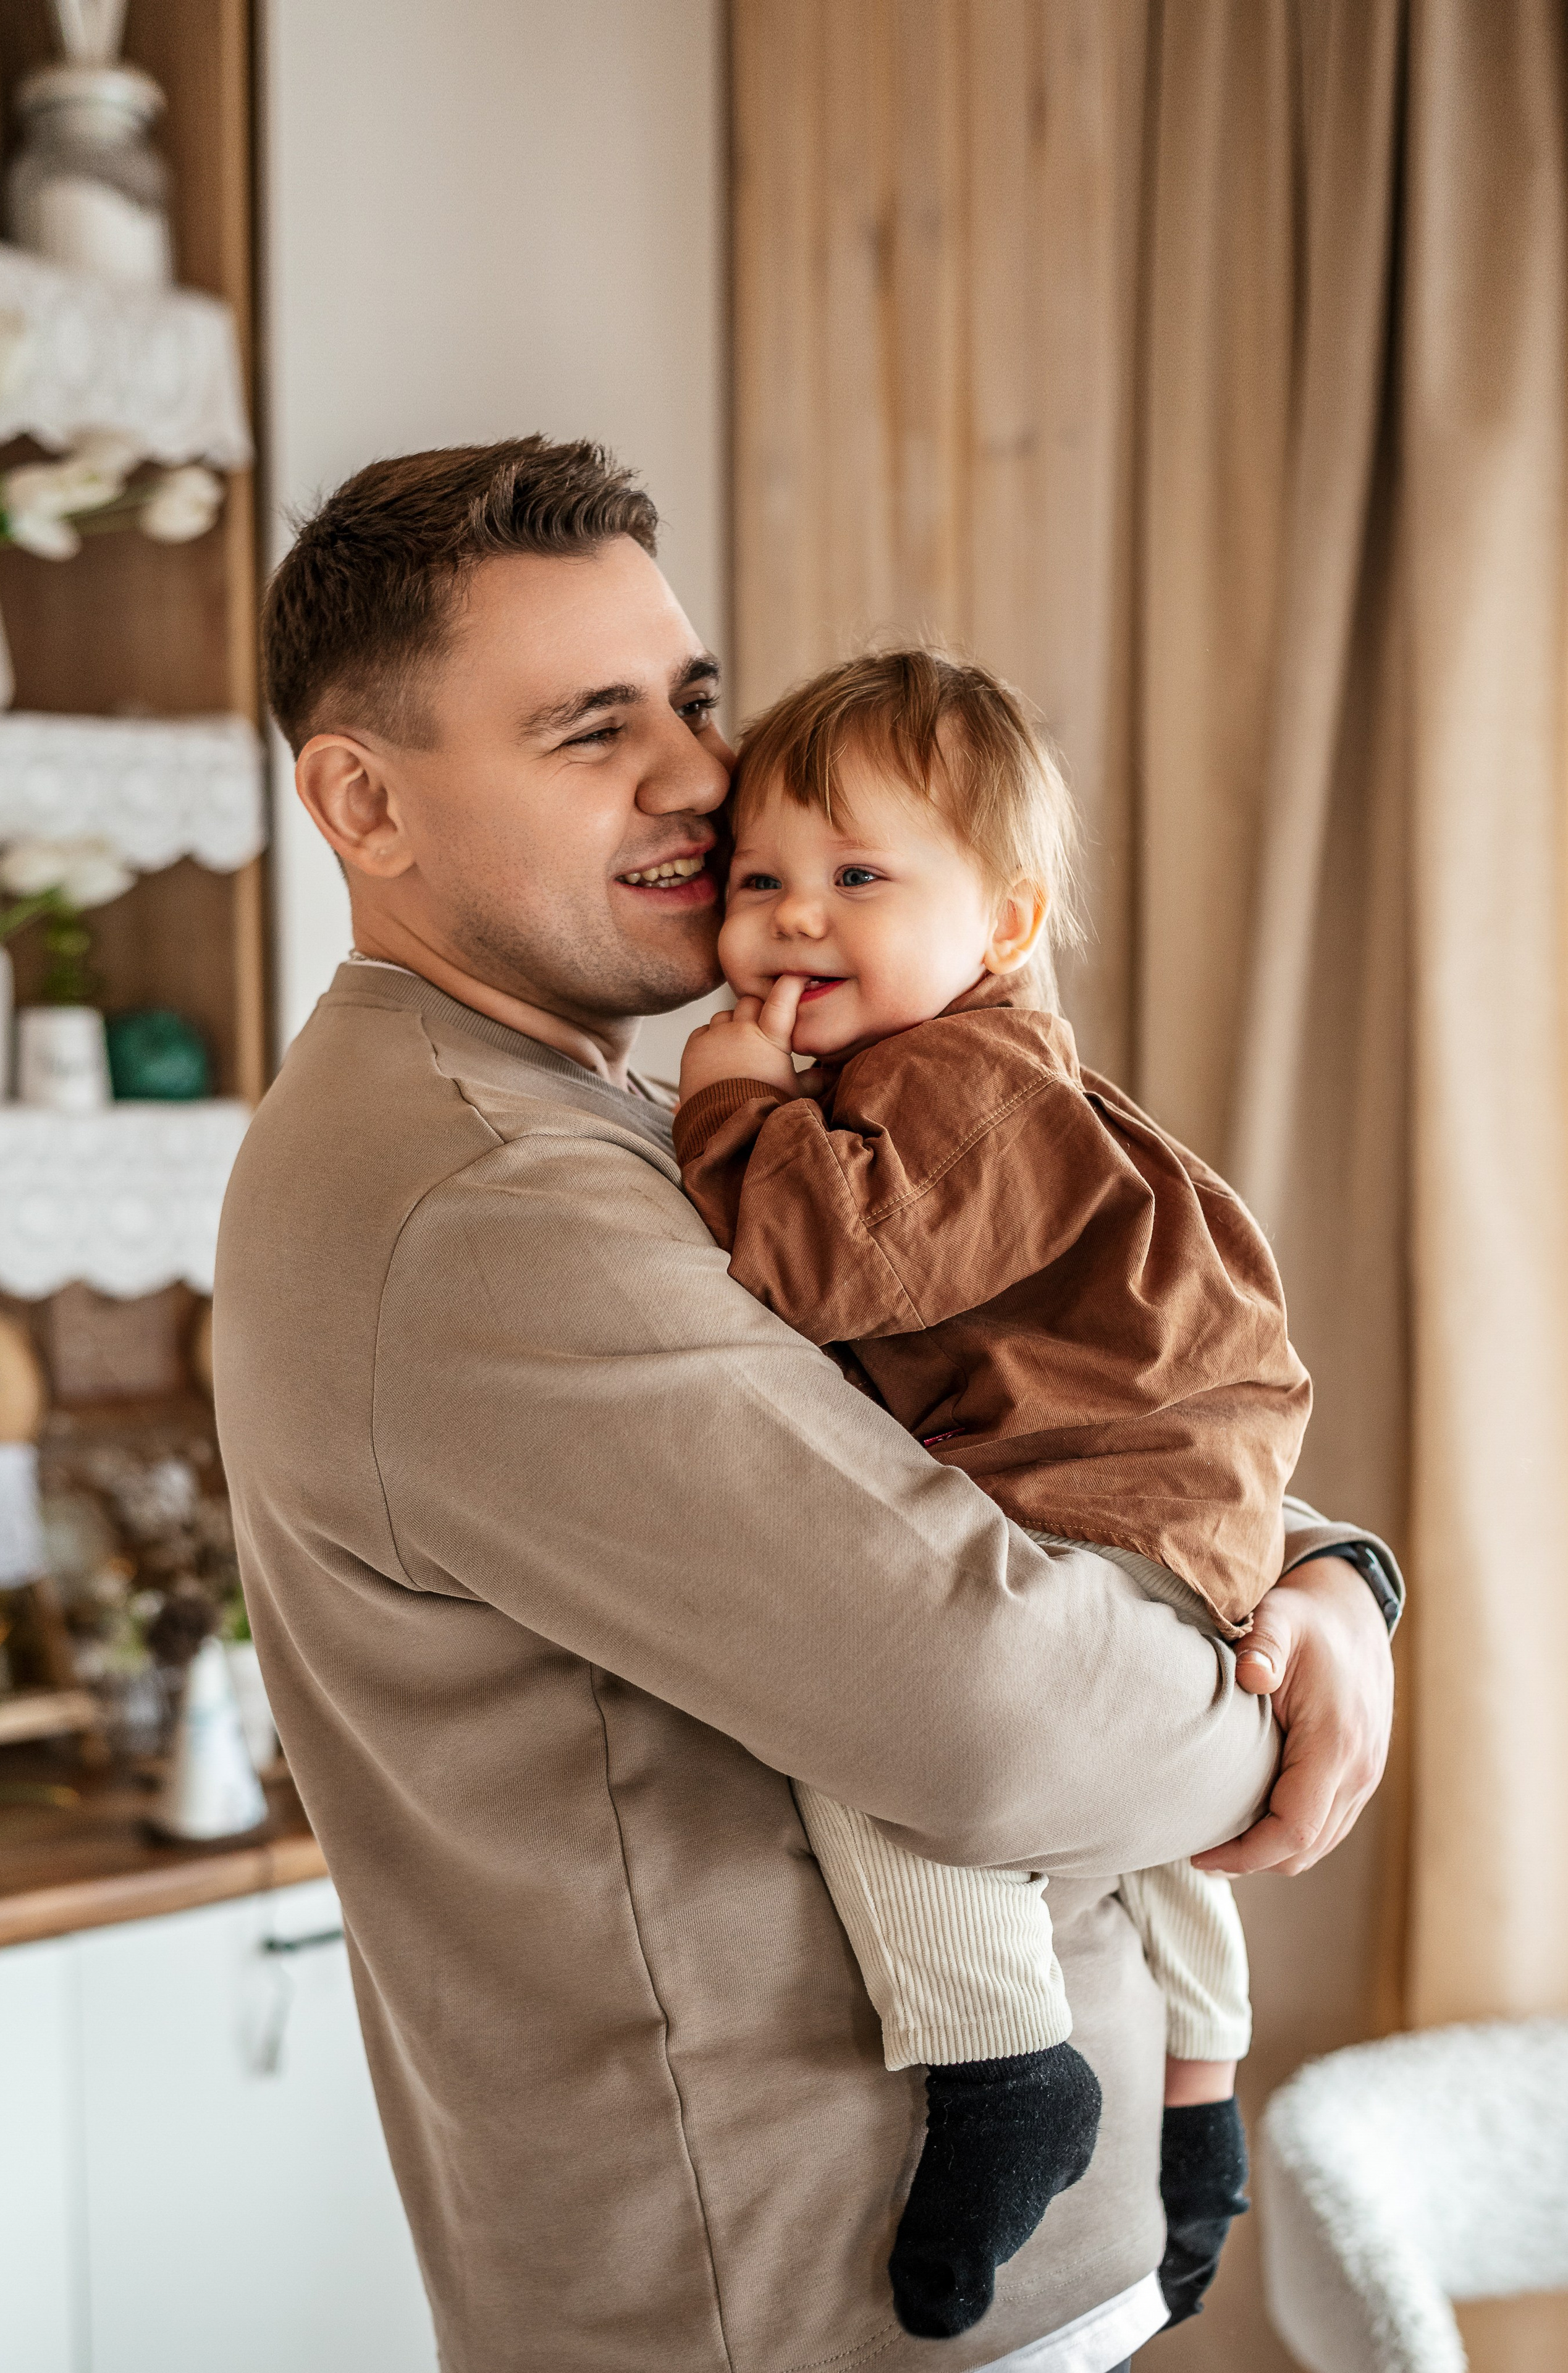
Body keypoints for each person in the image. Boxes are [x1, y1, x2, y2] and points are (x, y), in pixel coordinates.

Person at [214, 437, 1402, 2373]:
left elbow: (985, 1421)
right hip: (788, 2303)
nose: (699, 778)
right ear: (365, 802)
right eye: (593, 730)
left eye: (690, 702)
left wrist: (1331, 1577)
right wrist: (1273, 1708)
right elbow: (999, 1718)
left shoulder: (601, 1120)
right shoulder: (485, 1201)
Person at [672, 646, 1313, 2341]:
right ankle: (1199, 2089)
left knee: (886, 1751)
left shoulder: (947, 1080)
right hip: (1172, 1512)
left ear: (1005, 928)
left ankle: (999, 2061)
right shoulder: (981, 1072)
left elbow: (818, 1261)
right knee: (1164, 1827)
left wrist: (729, 1109)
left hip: (1095, 1504)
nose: (796, 921)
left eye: (859, 878)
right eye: (761, 882)